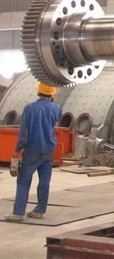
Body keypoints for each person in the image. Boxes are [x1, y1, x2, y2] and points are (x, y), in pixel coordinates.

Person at [5, 82, 61, 222]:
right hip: (49, 148)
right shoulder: (56, 108)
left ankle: (18, 213)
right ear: (52, 94)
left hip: (33, 149)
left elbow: (24, 134)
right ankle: (40, 210)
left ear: (38, 92)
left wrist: (17, 150)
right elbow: (55, 120)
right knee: (45, 181)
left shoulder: (30, 108)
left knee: (23, 181)